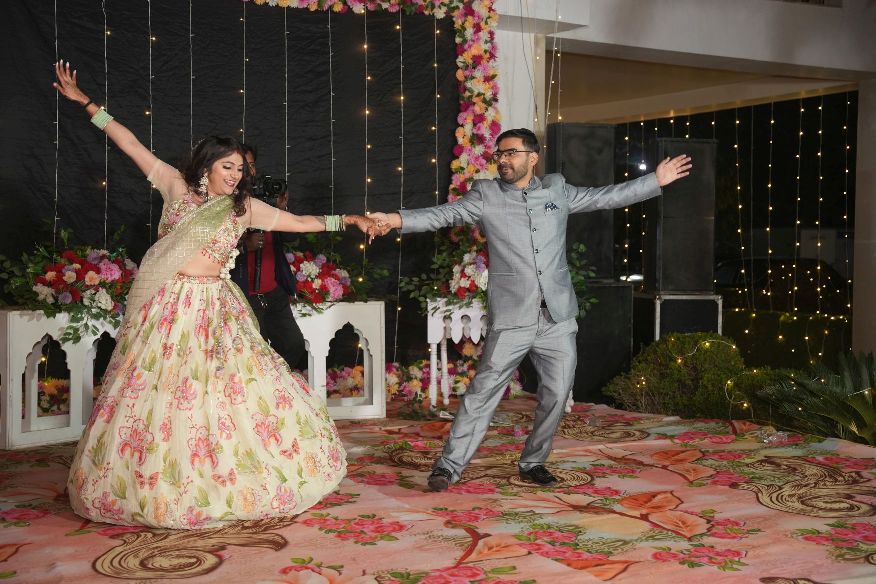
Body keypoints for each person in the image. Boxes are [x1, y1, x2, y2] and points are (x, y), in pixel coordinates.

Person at [53, 60, 376, 528]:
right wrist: (85, 102)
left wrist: (349, 220)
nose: (235, 175)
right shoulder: (175, 185)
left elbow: (299, 222)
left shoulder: (244, 208)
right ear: (206, 166)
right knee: (161, 392)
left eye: (240, 169)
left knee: (225, 392)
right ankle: (157, 480)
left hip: (216, 307)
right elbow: (129, 143)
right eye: (228, 167)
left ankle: (228, 473)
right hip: (169, 306)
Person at [370, 128, 692, 491]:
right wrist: (394, 220)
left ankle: (534, 461)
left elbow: (605, 197)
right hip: (513, 317)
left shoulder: (557, 190)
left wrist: (654, 181)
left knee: (557, 394)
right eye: (499, 155)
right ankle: (448, 466)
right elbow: (443, 215)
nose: (503, 160)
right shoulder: (486, 195)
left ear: (533, 157)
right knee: (482, 393)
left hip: (557, 317)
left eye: (511, 153)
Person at [230, 144, 307, 372]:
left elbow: (293, 239)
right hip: (244, 294)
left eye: (251, 165)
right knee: (256, 354)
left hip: (273, 291)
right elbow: (211, 246)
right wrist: (244, 245)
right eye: (242, 166)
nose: (248, 171)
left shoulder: (266, 198)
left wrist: (282, 210)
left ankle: (275, 385)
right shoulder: (225, 201)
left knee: (293, 345)